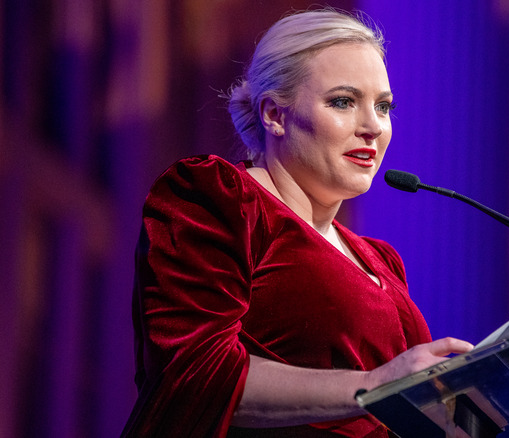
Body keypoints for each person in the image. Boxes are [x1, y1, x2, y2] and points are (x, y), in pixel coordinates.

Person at [122, 8, 473, 438]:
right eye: (343, 102)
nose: (373, 127)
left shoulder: (381, 261)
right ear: (274, 114)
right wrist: (375, 385)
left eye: (383, 106)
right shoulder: (219, 198)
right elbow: (196, 373)